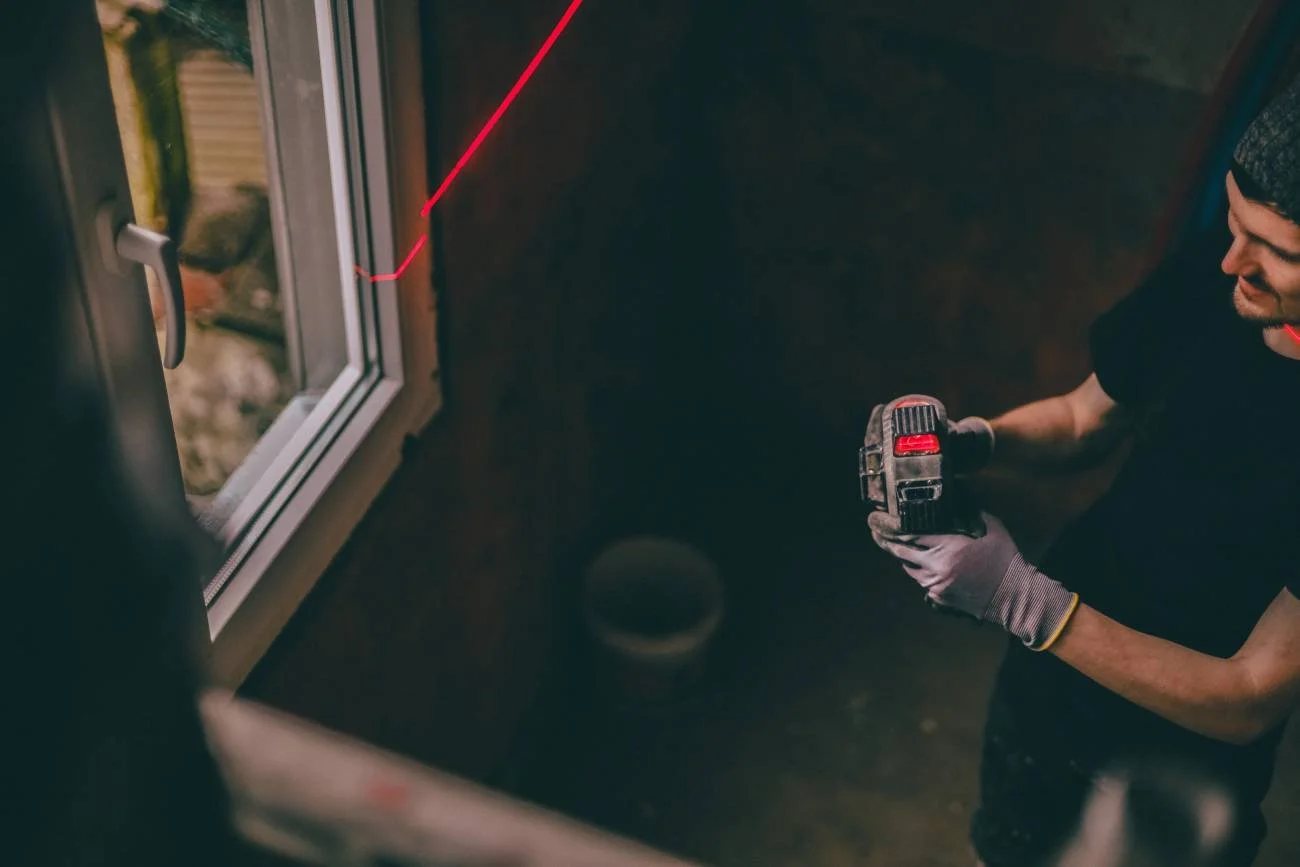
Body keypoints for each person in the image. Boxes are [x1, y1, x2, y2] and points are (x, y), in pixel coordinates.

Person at [868, 73, 1300, 867]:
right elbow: (1083, 417)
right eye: (1236, 224)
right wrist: (975, 441)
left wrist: (1023, 601)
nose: (1235, 258)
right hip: (1055, 683)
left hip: (1177, 757)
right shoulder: (1219, 281)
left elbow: (1249, 694)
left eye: (1277, 250)